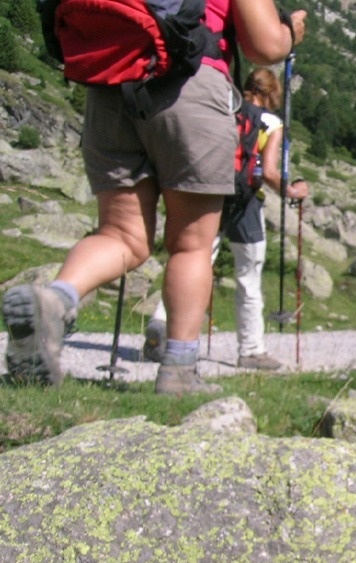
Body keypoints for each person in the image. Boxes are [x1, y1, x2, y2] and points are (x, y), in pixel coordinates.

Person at [1, 0, 307, 394]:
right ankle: (179, 371)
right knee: (191, 246)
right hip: (190, 87)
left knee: (120, 236)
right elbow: (264, 45)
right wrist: (290, 34)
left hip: (110, 88)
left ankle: (55, 301)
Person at [144, 66, 310, 371]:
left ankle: (161, 321)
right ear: (269, 94)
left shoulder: (224, 109)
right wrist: (291, 191)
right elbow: (270, 172)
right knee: (248, 276)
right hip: (246, 203)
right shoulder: (270, 123)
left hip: (210, 192)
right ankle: (251, 349)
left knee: (195, 260)